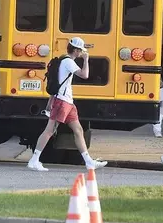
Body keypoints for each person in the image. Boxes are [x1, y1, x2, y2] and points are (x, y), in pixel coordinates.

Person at [27, 37, 108, 171]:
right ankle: (34, 160)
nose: (82, 53)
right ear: (75, 50)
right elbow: (85, 75)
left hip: (67, 102)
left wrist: (49, 103)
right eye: (81, 51)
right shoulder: (68, 62)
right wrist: (86, 60)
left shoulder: (62, 60)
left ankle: (89, 162)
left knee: (78, 130)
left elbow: (57, 84)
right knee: (50, 130)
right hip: (63, 102)